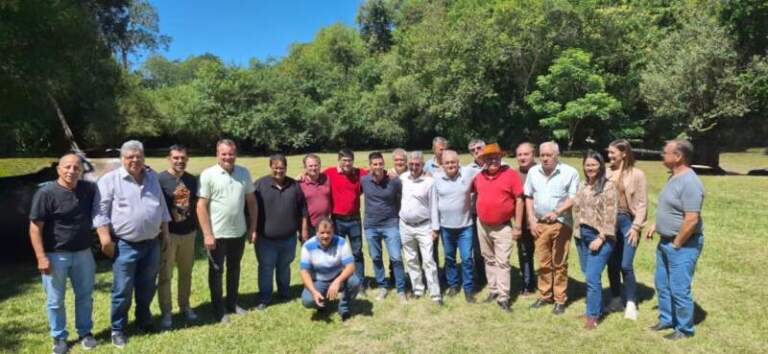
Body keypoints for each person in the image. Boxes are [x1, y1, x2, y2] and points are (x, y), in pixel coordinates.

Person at [93, 140, 171, 348]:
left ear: (144, 158)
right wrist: (104, 239)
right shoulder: (110, 180)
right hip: (125, 245)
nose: (135, 160)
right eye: (130, 157)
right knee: (122, 290)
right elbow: (100, 212)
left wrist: (165, 233)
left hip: (152, 243)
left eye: (138, 156)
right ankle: (118, 329)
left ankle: (143, 320)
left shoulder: (152, 178)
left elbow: (162, 206)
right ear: (122, 159)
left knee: (147, 286)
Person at [29, 153, 98, 354]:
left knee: (85, 296)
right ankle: (59, 337)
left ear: (81, 170)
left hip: (84, 253)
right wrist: (41, 257)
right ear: (58, 169)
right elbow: (35, 228)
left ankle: (85, 333)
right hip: (55, 255)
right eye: (67, 167)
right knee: (55, 300)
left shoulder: (88, 189)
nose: (71, 171)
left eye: (76, 167)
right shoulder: (46, 193)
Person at [645, 140, 705, 340]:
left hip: (683, 245)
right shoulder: (673, 177)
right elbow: (671, 208)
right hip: (666, 241)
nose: (662, 155)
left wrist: (677, 243)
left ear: (678, 156)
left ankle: (684, 329)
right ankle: (667, 319)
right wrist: (656, 225)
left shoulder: (690, 182)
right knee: (662, 284)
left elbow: (692, 219)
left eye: (665, 152)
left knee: (679, 288)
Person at [196, 139, 258, 323]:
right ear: (217, 154)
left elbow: (252, 202)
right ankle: (218, 308)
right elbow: (201, 206)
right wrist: (207, 234)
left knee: (234, 268)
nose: (228, 157)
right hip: (217, 234)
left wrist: (253, 227)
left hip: (238, 232)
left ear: (235, 154)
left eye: (231, 154)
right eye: (224, 154)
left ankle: (232, 303)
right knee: (216, 271)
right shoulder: (208, 174)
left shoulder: (243, 173)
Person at [525, 141, 579, 315]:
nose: (545, 158)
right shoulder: (533, 172)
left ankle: (559, 299)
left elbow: (573, 198)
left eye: (549, 155)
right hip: (540, 223)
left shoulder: (570, 172)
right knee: (543, 262)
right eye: (542, 155)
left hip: (561, 222)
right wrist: (531, 220)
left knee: (559, 262)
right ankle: (545, 295)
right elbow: (528, 196)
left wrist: (557, 212)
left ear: (557, 155)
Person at [472, 143, 524, 312]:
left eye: (496, 157)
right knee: (488, 258)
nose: (493, 161)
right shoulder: (479, 177)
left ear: (501, 158)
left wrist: (517, 226)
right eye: (489, 158)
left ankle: (503, 297)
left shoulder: (510, 175)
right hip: (483, 225)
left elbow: (519, 200)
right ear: (484, 161)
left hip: (502, 227)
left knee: (502, 262)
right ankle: (493, 290)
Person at [253, 154, 309, 310]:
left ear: (286, 168)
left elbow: (303, 210)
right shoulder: (260, 185)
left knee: (284, 267)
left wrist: (303, 230)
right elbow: (250, 209)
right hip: (266, 239)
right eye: (276, 168)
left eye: (282, 168)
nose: (279, 171)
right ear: (270, 167)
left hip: (289, 238)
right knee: (266, 268)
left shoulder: (294, 185)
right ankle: (265, 297)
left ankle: (284, 293)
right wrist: (252, 230)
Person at [573, 151, 618, 330]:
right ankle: (596, 308)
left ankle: (592, 316)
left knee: (592, 276)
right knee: (588, 272)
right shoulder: (582, 184)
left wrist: (601, 238)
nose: (590, 168)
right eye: (587, 165)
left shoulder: (608, 186)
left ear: (601, 166)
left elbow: (611, 215)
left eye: (594, 164)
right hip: (582, 234)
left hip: (600, 237)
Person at [157, 145, 199, 329]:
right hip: (169, 235)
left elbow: (195, 204)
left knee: (186, 273)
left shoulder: (191, 180)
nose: (179, 161)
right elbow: (158, 208)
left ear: (187, 159)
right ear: (169, 159)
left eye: (183, 158)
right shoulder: (160, 180)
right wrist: (164, 234)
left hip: (189, 233)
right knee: (165, 275)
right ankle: (166, 312)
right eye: (176, 158)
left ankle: (185, 306)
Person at [605, 139, 648, 320]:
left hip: (628, 221)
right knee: (612, 263)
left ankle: (631, 302)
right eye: (608, 152)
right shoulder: (606, 172)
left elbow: (642, 203)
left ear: (623, 153)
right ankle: (616, 299)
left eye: (612, 152)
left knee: (625, 264)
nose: (609, 156)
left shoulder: (637, 174)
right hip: (609, 222)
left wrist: (636, 227)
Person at [360, 152, 407, 302]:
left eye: (380, 164)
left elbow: (404, 197)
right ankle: (382, 286)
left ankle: (401, 289)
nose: (378, 167)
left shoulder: (393, 180)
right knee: (376, 257)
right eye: (375, 164)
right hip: (371, 225)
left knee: (396, 257)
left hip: (390, 224)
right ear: (370, 166)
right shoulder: (364, 180)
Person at [399, 151, 442, 305]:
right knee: (411, 259)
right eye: (411, 164)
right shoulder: (403, 178)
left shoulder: (429, 182)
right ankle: (418, 289)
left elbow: (434, 206)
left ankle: (435, 293)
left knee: (429, 260)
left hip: (424, 226)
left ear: (423, 165)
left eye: (417, 164)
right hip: (405, 226)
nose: (414, 167)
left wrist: (435, 229)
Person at [432, 150, 476, 303]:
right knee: (449, 258)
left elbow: (486, 168)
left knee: (467, 259)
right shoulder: (436, 177)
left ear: (458, 163)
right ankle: (453, 285)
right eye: (447, 163)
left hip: (465, 227)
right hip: (446, 228)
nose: (450, 165)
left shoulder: (468, 172)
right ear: (442, 165)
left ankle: (468, 289)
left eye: (453, 162)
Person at [323, 149, 368, 294]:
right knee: (338, 254)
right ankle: (341, 283)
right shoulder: (329, 173)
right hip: (337, 220)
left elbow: (376, 171)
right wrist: (302, 174)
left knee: (357, 253)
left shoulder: (359, 173)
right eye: (344, 160)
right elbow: (314, 176)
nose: (347, 163)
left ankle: (360, 284)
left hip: (354, 219)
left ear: (353, 161)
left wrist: (391, 172)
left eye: (349, 160)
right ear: (339, 160)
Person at [300, 218, 361, 321]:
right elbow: (304, 272)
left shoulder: (341, 242)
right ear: (316, 232)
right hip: (319, 281)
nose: (325, 236)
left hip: (337, 276)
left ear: (333, 232)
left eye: (328, 232)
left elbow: (351, 266)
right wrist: (313, 291)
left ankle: (343, 307)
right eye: (322, 233)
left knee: (355, 282)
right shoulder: (307, 246)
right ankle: (321, 304)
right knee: (307, 300)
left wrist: (337, 281)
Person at [514, 142, 537, 296]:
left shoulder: (541, 171)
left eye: (526, 154)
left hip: (541, 221)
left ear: (533, 155)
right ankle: (528, 284)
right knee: (525, 253)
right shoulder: (514, 175)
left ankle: (549, 286)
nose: (522, 157)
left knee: (545, 254)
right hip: (521, 223)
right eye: (519, 154)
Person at [465, 138, 488, 288]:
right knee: (478, 249)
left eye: (479, 148)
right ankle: (482, 278)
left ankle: (496, 277)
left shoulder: (497, 164)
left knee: (493, 248)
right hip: (474, 214)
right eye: (472, 150)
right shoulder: (467, 169)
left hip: (493, 214)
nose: (476, 151)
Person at [298, 153, 332, 238]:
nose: (313, 168)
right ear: (305, 167)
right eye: (310, 166)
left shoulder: (327, 179)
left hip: (325, 225)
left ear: (320, 166)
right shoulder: (299, 183)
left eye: (316, 165)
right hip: (308, 226)